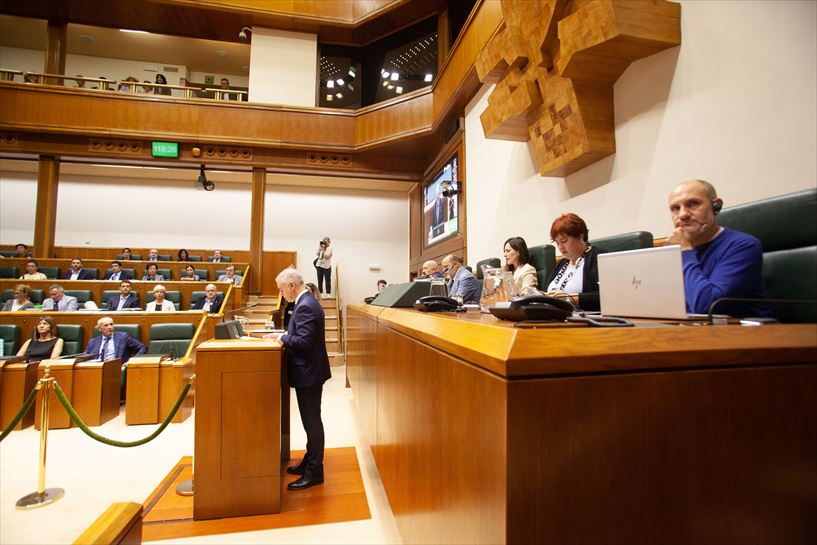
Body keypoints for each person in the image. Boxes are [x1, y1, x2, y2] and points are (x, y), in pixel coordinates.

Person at [266, 268, 331, 491]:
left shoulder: (305, 306)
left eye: (282, 289)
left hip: (309, 373)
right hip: (310, 371)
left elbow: (303, 342)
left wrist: (282, 337)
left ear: (292, 285)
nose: (282, 294)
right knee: (310, 421)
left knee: (312, 423)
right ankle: (309, 462)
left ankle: (314, 472)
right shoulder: (305, 302)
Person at [667, 179, 769, 317]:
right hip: (690, 331)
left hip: (741, 333)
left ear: (716, 206)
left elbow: (706, 307)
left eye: (693, 204)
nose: (683, 214)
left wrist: (684, 251)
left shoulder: (744, 245)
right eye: (675, 208)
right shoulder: (672, 252)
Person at [545, 213, 604, 311]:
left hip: (582, 319)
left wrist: (569, 298)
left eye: (564, 241)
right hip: (555, 316)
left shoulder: (596, 257)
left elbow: (606, 296)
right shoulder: (562, 263)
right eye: (557, 242)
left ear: (580, 236)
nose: (560, 247)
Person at [85, 316, 147, 401]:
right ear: (99, 328)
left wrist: (132, 360)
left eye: (111, 324)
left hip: (116, 367)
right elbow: (85, 356)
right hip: (97, 368)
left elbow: (142, 347)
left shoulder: (123, 337)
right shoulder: (92, 342)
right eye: (106, 325)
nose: (110, 327)